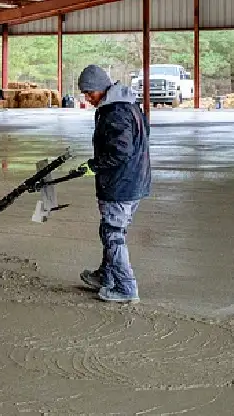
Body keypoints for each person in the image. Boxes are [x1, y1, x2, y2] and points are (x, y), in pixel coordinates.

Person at [76, 64, 151, 303]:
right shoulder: (129, 105)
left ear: (102, 88)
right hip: (134, 180)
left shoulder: (115, 112)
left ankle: (126, 287)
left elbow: (120, 151)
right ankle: (106, 275)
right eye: (85, 94)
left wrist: (94, 165)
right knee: (110, 231)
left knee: (113, 234)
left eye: (90, 93)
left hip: (121, 185)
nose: (88, 98)